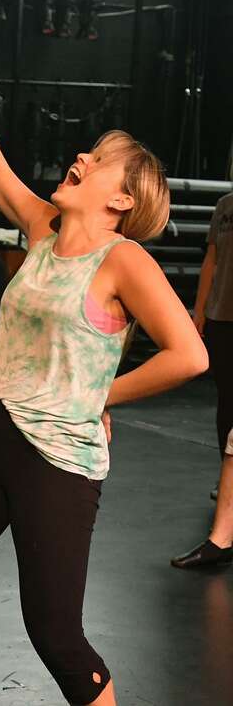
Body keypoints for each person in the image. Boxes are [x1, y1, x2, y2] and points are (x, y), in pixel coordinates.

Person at [0, 37, 208, 706]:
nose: (81, 158)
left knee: (55, 634)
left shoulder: (123, 261)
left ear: (121, 199)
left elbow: (189, 354)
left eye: (100, 161)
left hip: (57, 463)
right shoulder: (44, 229)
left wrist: (100, 393)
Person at [171, 183, 233, 569]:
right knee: (227, 402)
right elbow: (211, 259)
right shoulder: (224, 207)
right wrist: (198, 311)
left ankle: (223, 534)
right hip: (222, 317)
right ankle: (225, 490)